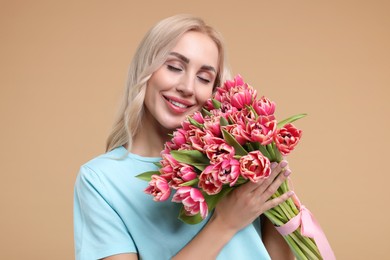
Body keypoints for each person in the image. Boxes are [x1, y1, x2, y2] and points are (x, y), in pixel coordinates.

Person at [74, 14, 295, 260]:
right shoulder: (100, 181)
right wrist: (226, 224)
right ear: (145, 69)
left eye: (204, 78)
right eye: (174, 67)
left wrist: (277, 186)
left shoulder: (235, 155)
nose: (188, 87)